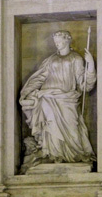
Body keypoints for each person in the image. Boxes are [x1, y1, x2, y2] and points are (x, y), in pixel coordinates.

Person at [19, 29, 97, 167]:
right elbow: (40, 77)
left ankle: (74, 155)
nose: (57, 44)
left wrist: (90, 65)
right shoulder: (50, 60)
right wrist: (27, 91)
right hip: (48, 97)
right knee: (50, 126)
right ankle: (53, 154)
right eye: (56, 42)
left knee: (72, 129)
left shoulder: (76, 59)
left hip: (67, 99)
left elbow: (85, 85)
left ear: (67, 41)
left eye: (60, 41)